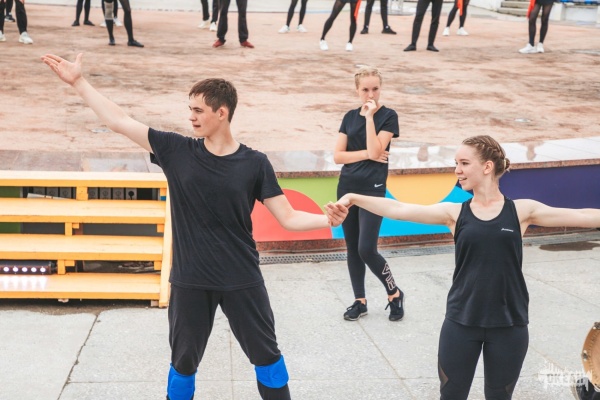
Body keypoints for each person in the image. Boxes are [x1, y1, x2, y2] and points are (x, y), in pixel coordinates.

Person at [41, 52, 347, 400]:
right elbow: (119, 121)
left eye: (198, 110)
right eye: (190, 109)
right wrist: (79, 82)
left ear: (222, 112)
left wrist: (327, 219)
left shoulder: (254, 163)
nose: (191, 117)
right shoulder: (177, 150)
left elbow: (288, 217)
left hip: (241, 278)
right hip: (190, 281)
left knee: (268, 361)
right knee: (182, 367)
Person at [335, 135, 600, 399]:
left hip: (509, 324)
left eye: (464, 163)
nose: (457, 170)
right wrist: (353, 198)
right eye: (456, 163)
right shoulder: (454, 214)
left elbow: (581, 215)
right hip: (461, 322)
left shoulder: (521, 211)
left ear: (487, 167)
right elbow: (400, 208)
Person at [333, 66, 404, 322]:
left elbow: (377, 150)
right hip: (347, 187)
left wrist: (370, 118)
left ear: (380, 88)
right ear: (357, 90)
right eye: (365, 89)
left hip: (373, 189)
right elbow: (338, 156)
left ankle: (394, 293)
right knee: (352, 248)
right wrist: (366, 155)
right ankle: (359, 301)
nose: (370, 94)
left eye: (375, 89)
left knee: (366, 248)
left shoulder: (388, 116)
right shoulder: (349, 116)